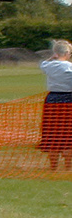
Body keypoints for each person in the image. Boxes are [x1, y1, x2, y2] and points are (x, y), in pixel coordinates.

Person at [39, 39, 72, 169]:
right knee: (68, 135)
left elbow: (45, 63)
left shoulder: (48, 66)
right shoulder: (70, 67)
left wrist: (53, 56)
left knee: (52, 133)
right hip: (69, 100)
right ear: (68, 52)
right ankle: (68, 166)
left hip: (52, 99)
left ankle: (53, 166)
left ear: (55, 53)